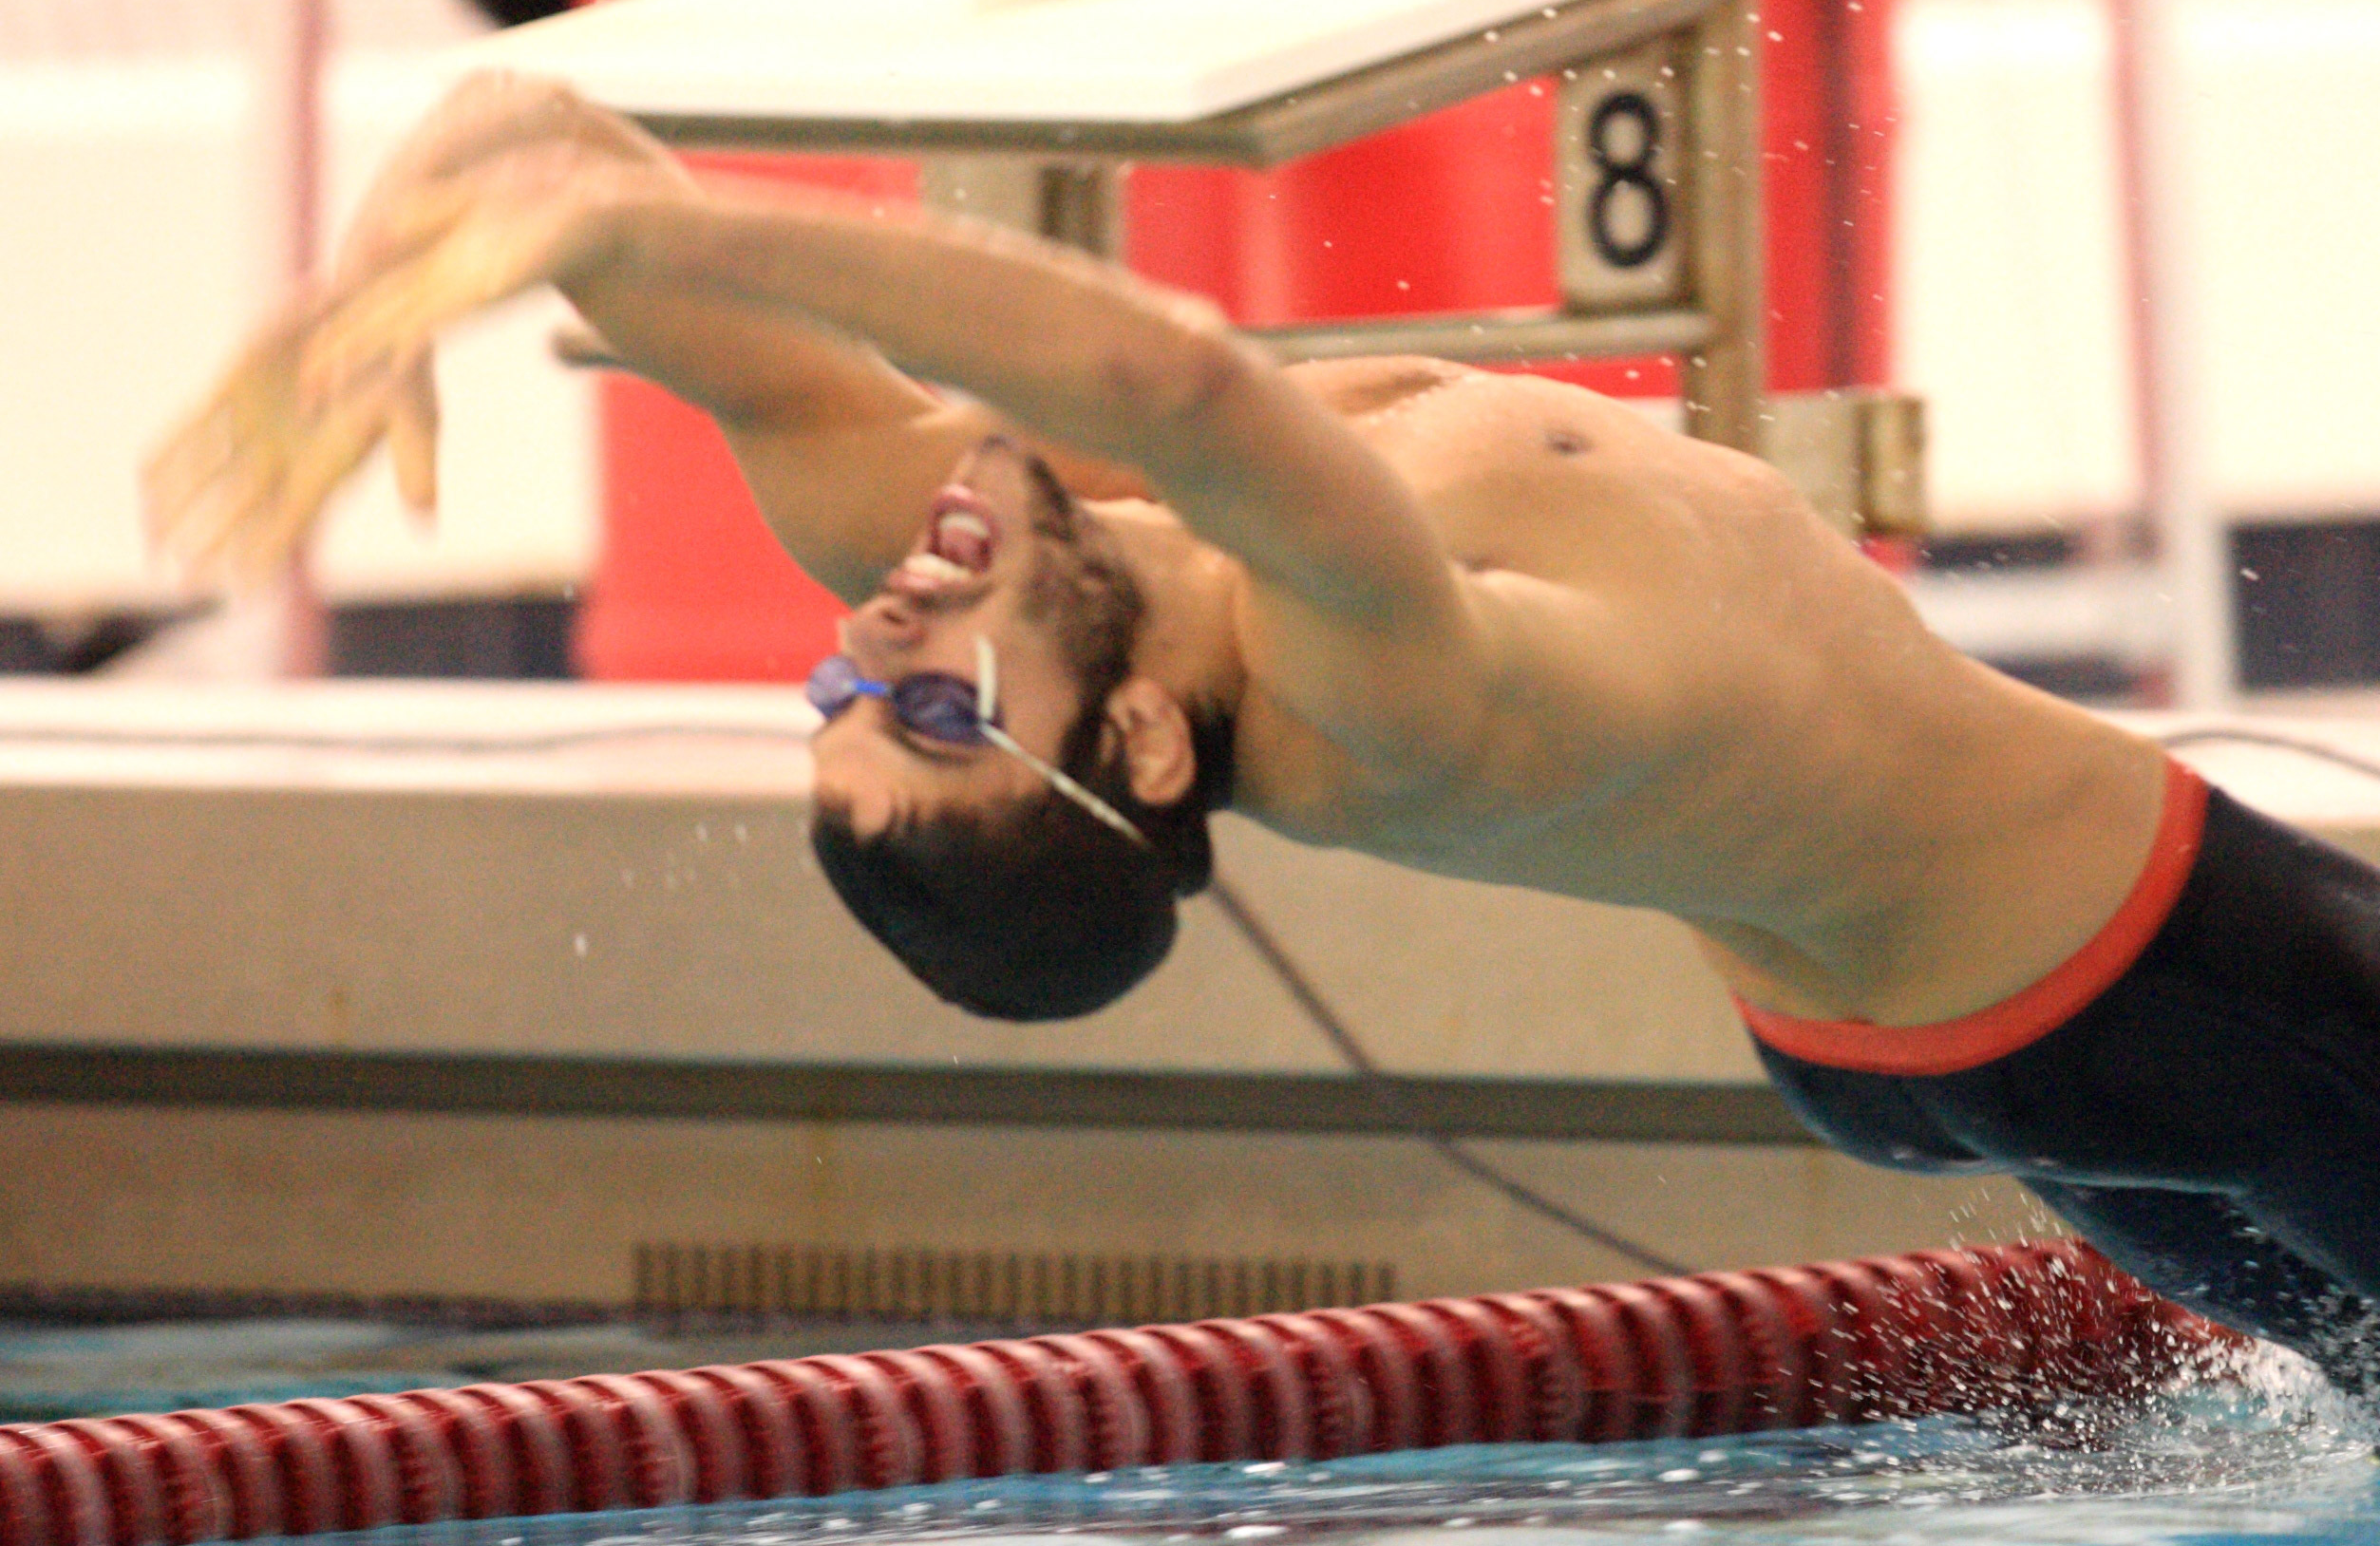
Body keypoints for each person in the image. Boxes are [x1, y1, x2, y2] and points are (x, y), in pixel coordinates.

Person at [148, 71, 2380, 1389]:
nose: (877, 617)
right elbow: (1185, 382)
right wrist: (633, 218)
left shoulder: (983, 527)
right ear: (1126, 746)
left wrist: (397, 261)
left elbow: (539, 138)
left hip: (1926, 1023)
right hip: (2155, 973)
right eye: (923, 702)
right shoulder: (1380, 695)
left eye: (849, 684)